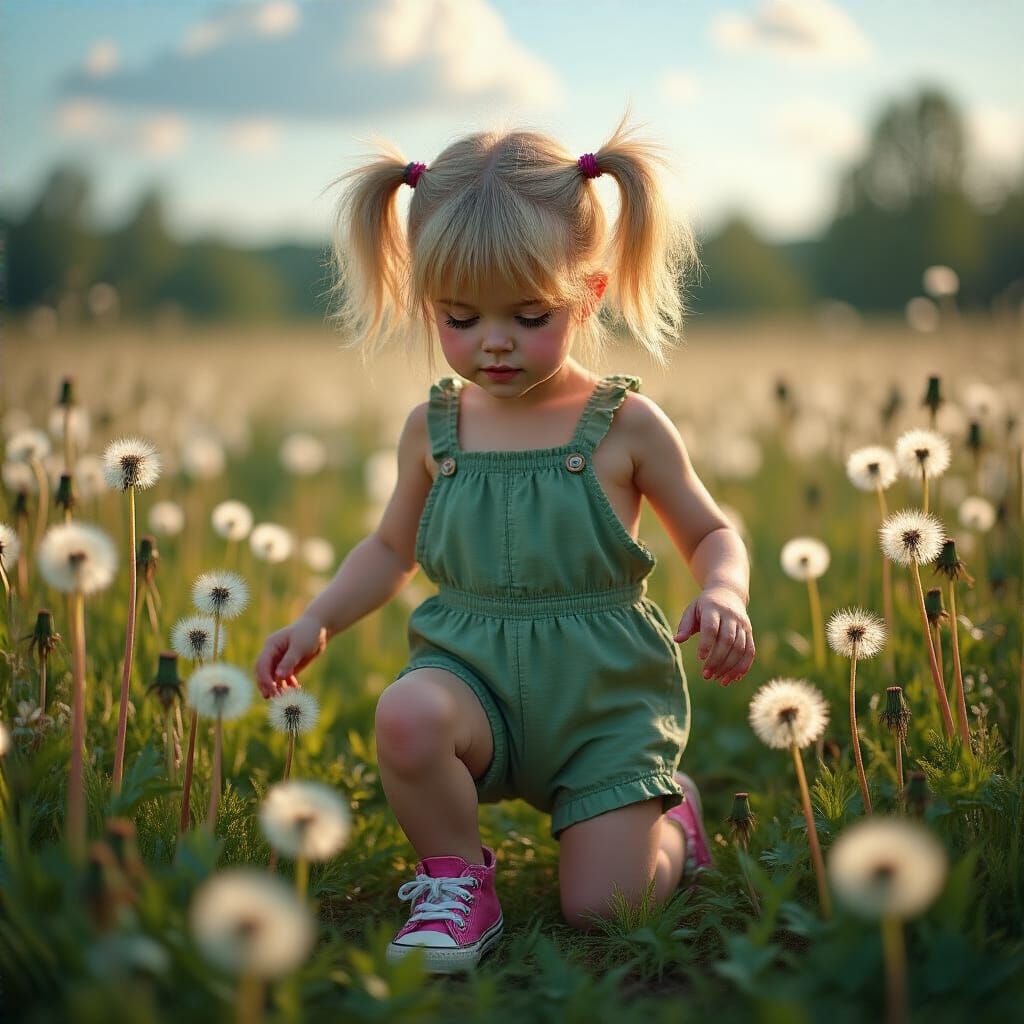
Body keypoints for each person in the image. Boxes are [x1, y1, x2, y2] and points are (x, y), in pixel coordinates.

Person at [255, 112, 755, 975]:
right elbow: (388, 549)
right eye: (459, 318)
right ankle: (454, 879)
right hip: (473, 680)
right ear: (425, 299)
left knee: (605, 911)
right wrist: (319, 620)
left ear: (588, 295)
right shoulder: (432, 427)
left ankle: (671, 822)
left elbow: (711, 530)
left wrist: (723, 592)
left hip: (602, 703)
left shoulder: (626, 424)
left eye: (529, 316)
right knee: (406, 715)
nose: (491, 342)